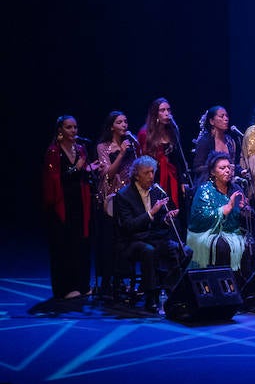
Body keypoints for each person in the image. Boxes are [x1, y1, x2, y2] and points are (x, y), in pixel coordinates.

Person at [114, 155, 186, 308]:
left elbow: (158, 222)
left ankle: (170, 289)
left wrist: (166, 218)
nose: (151, 176)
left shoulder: (156, 191)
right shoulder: (124, 195)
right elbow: (129, 226)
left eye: (153, 172)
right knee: (149, 251)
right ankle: (151, 296)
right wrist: (151, 213)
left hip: (152, 237)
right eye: (147, 173)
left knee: (185, 250)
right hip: (132, 240)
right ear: (136, 175)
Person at [41, 115, 95, 301]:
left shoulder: (80, 149)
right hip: (62, 205)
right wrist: (77, 169)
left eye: (75, 127)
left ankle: (82, 284)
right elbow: (55, 180)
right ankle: (65, 288)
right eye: (69, 127)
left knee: (81, 244)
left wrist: (88, 169)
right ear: (60, 130)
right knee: (64, 247)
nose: (73, 131)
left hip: (79, 203)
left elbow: (81, 176)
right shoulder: (54, 152)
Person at [93, 111, 141, 298]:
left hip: (129, 197)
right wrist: (121, 153)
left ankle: (126, 280)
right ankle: (109, 280)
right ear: (111, 126)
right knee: (111, 240)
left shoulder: (132, 143)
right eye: (119, 122)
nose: (124, 125)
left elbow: (137, 167)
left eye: (125, 121)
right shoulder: (103, 147)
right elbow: (108, 174)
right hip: (110, 197)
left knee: (127, 238)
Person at [187, 153, 252, 272]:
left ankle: (240, 284)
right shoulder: (205, 190)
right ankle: (223, 283)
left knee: (249, 245)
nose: (227, 171)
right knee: (222, 246)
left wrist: (245, 209)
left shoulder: (236, 188)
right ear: (213, 172)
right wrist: (224, 210)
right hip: (207, 232)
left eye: (229, 167)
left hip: (232, 231)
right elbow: (200, 218)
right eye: (222, 168)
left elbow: (247, 216)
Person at [137, 97, 190, 212]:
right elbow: (142, 161)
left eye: (168, 110)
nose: (167, 113)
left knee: (177, 211)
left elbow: (178, 160)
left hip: (173, 179)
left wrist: (183, 181)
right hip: (155, 179)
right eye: (162, 110)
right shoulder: (145, 134)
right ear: (155, 113)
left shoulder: (172, 131)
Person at [190, 105, 241, 188]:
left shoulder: (230, 141)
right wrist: (216, 169)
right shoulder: (205, 141)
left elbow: (233, 163)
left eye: (227, 116)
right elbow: (197, 167)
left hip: (228, 184)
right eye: (221, 116)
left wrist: (241, 171)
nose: (226, 119)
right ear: (212, 121)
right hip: (209, 186)